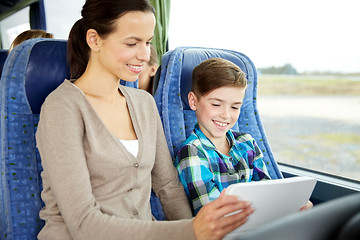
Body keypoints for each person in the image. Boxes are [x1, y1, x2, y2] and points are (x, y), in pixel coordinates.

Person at [35, 1, 254, 240]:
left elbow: (168, 186)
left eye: (148, 42)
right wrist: (190, 231)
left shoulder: (143, 103)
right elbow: (83, 222)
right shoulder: (62, 108)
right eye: (132, 43)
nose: (145, 55)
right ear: (94, 40)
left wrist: (196, 231)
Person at [174, 58, 272, 214]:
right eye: (216, 104)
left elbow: (268, 192)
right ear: (193, 101)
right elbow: (215, 216)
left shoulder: (247, 143)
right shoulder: (192, 153)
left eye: (234, 107)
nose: (226, 115)